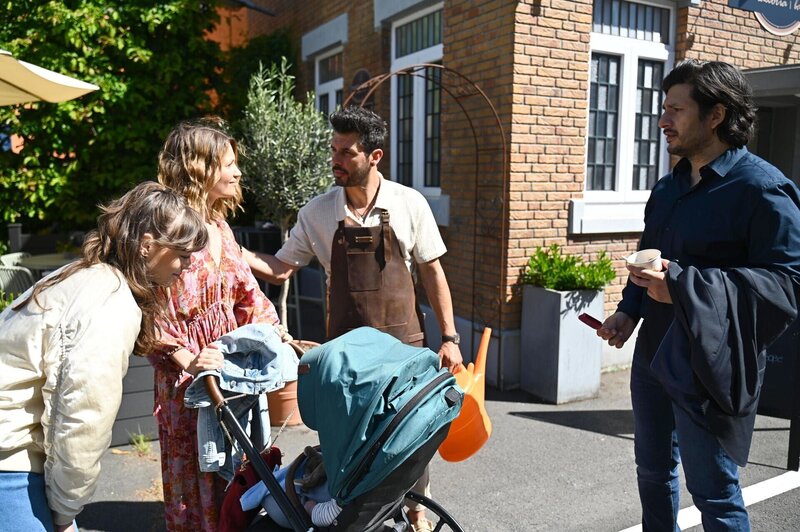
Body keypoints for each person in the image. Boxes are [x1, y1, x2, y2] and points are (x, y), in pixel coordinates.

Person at [598, 59, 800, 531]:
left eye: (676, 109)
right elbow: (652, 257)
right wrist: (628, 311)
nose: (662, 120)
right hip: (653, 356)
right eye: (663, 108)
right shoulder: (668, 188)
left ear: (716, 115)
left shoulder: (762, 189)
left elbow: (787, 284)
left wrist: (683, 286)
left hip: (710, 364)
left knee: (714, 494)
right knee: (652, 473)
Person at [244, 105, 463, 532]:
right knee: (344, 444)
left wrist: (450, 337)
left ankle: (417, 512)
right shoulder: (317, 212)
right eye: (334, 150)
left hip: (404, 351)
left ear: (375, 156)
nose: (336, 160)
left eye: (347, 152)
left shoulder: (409, 203)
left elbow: (433, 272)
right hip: (347, 360)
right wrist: (236, 251)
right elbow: (281, 268)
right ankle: (352, 518)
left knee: (411, 437)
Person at [0, 181, 208, 532]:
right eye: (182, 253)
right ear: (147, 245)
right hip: (9, 461)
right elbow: (81, 417)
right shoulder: (109, 302)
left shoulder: (84, 276)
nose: (187, 264)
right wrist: (64, 511)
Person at [150, 118, 284, 531]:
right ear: (199, 168)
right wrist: (188, 360)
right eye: (228, 164)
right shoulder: (166, 228)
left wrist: (274, 332)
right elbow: (148, 312)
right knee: (194, 481)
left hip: (231, 374)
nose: (237, 172)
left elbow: (248, 296)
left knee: (234, 475)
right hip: (188, 380)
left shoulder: (222, 228)